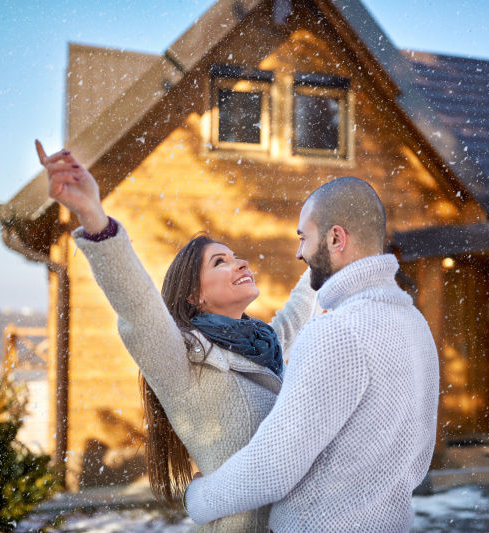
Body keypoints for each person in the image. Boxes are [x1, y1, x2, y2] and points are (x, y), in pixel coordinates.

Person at [36, 140, 316, 532]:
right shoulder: (184, 359)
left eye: (235, 256)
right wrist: (92, 213)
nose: (240, 262)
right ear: (194, 295)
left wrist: (324, 258)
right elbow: (137, 304)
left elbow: (298, 313)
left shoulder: (262, 346)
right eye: (221, 261)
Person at [184, 177, 440, 532]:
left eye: (304, 238)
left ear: (336, 239)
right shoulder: (415, 324)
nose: (298, 253)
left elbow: (273, 465)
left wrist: (199, 498)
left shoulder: (336, 332)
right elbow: (419, 455)